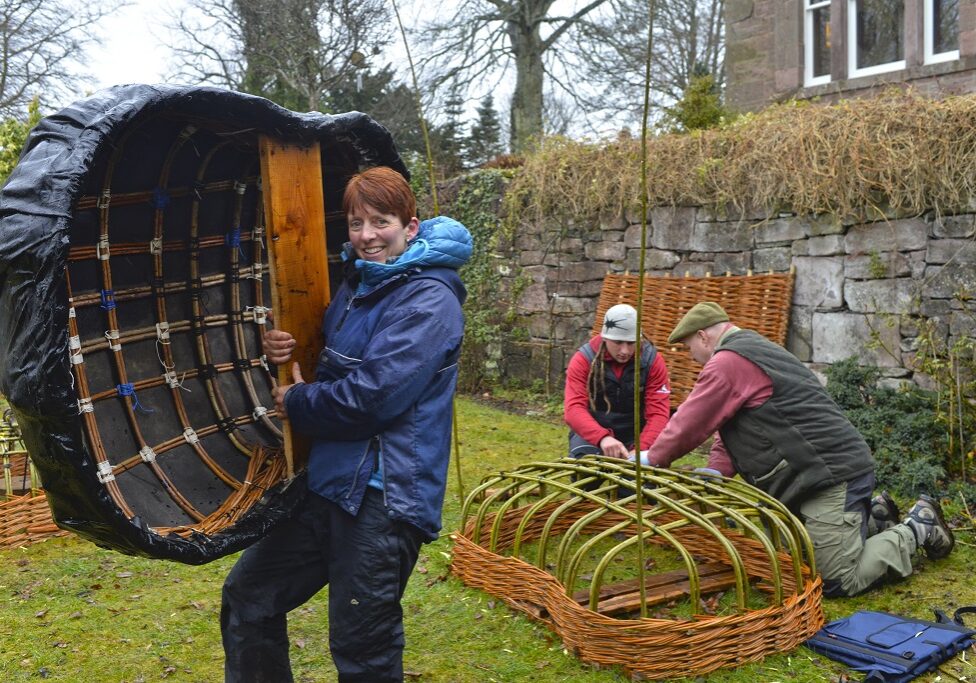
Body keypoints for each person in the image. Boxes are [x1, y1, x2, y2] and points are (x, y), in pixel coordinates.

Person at [220, 166, 472, 682]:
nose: (367, 235)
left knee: (364, 651)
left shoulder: (429, 299)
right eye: (357, 223)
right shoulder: (361, 282)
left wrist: (298, 400)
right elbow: (333, 360)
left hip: (386, 494)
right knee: (249, 597)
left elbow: (373, 398)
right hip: (334, 482)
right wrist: (287, 349)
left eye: (381, 221)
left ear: (411, 225)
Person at [644, 302, 955, 597]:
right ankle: (876, 518)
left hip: (831, 476)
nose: (691, 355)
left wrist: (652, 458)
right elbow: (732, 424)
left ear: (703, 336)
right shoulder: (753, 351)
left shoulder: (728, 361)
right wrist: (717, 469)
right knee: (795, 555)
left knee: (836, 579)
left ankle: (918, 527)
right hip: (814, 474)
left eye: (689, 347)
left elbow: (691, 420)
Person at [564, 303, 671, 459]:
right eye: (618, 342)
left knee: (641, 480)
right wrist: (603, 438)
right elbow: (573, 409)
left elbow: (658, 414)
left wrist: (640, 449)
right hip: (594, 431)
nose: (625, 351)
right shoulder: (584, 359)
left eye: (631, 343)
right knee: (584, 469)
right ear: (605, 337)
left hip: (637, 434)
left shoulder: (652, 361)